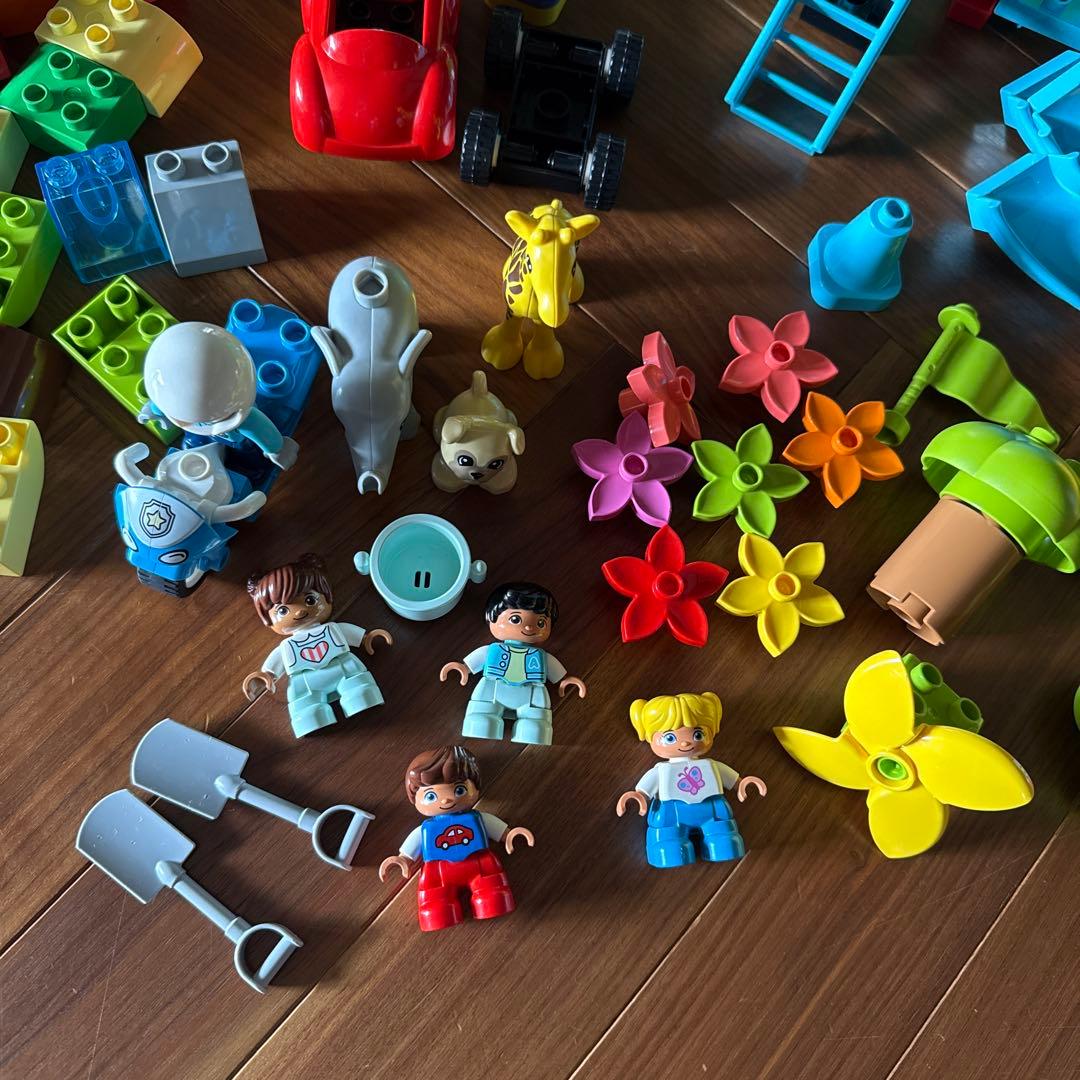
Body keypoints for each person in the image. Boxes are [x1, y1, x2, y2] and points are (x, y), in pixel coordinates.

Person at [379, 746, 534, 931]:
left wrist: (508, 835)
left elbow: (494, 827)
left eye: (459, 790)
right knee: (434, 903)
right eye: (431, 796)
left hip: (480, 862)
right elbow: (412, 845)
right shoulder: (425, 830)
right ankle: (437, 911)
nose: (446, 800)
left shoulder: (478, 818)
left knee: (493, 891)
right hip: (437, 871)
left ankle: (492, 900)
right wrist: (403, 859)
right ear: (415, 798)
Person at [243, 553, 392, 737]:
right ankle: (309, 716)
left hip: (343, 667)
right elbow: (274, 666)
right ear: (268, 619)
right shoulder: (286, 647)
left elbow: (351, 634)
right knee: (306, 707)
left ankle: (360, 695)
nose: (299, 612)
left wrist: (367, 638)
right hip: (305, 682)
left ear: (326, 597)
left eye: (310, 600)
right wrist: (266, 676)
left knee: (359, 688)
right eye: (283, 610)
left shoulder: (333, 629)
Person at [616, 692, 766, 868]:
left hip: (713, 809)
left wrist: (741, 784)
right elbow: (644, 789)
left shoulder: (711, 765)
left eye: (697, 734)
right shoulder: (661, 771)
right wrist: (639, 796)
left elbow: (731, 778)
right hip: (671, 811)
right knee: (668, 841)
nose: (685, 743)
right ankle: (669, 848)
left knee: (723, 837)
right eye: (669, 738)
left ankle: (722, 843)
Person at [439, 581, 586, 746]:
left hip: (532, 693)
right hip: (493, 688)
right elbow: (476, 660)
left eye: (540, 623)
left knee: (535, 724)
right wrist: (464, 668)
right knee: (481, 716)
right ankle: (481, 720)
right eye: (515, 619)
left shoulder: (542, 657)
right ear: (491, 618)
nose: (528, 627)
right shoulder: (492, 650)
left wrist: (564, 680)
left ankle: (533, 727)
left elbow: (556, 672)